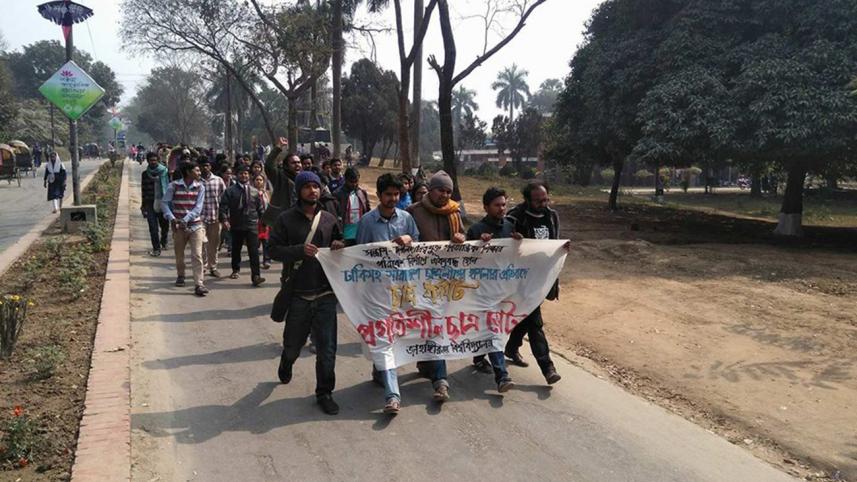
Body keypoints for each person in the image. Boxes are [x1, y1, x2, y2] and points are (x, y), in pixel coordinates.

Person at [269, 171, 345, 415]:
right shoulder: (285, 219)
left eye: (316, 186)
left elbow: (341, 245)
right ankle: (287, 361)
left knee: (327, 350)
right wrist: (299, 251)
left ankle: (325, 393)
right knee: (293, 344)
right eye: (307, 187)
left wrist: (339, 245)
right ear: (299, 190)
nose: (313, 190)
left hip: (325, 294)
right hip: (299, 294)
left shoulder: (329, 219)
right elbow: (272, 250)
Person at [356, 173, 420, 414]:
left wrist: (410, 239)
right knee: (383, 339)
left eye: (397, 194)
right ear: (379, 195)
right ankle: (392, 396)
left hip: (403, 287)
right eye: (388, 194)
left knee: (402, 334)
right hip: (377, 291)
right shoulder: (367, 222)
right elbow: (360, 254)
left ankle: (380, 370)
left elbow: (419, 245)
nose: (393, 198)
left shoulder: (406, 218)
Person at [406, 170, 466, 402]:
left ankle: (440, 380)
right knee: (425, 325)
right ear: (431, 190)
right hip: (420, 280)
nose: (445, 195)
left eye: (449, 191)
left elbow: (464, 239)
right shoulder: (413, 212)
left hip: (446, 281)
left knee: (437, 326)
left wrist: (460, 238)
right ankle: (428, 366)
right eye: (441, 190)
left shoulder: (455, 212)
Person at [504, 181, 566, 384]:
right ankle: (548, 368)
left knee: (526, 317)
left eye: (546, 199)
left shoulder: (552, 216)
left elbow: (554, 242)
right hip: (520, 280)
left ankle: (511, 347)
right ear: (527, 199)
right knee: (535, 322)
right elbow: (503, 244)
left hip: (542, 278)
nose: (543, 204)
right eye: (538, 201)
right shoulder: (516, 217)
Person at [466, 187, 521, 391]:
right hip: (482, 291)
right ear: (486, 207)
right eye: (497, 205)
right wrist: (479, 245)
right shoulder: (476, 230)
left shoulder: (510, 227)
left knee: (492, 329)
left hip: (503, 290)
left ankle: (479, 357)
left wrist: (519, 243)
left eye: (504, 204)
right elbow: (466, 260)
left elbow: (516, 257)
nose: (502, 208)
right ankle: (502, 376)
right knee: (492, 330)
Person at [162, 161, 208, 297]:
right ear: (188, 172)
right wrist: (171, 218)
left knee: (197, 254)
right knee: (179, 254)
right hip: (178, 227)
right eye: (197, 170)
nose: (199, 173)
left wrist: (185, 219)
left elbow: (198, 208)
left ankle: (199, 283)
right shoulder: (174, 186)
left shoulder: (200, 187)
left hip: (195, 225)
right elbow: (165, 203)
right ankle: (181, 275)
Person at [219, 165, 266, 286]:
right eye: (241, 173)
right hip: (236, 224)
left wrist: (264, 222)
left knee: (254, 251)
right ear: (237, 175)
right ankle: (235, 269)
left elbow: (260, 208)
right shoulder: (230, 191)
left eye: (246, 173)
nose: (244, 176)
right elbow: (223, 207)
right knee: (236, 248)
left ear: (249, 175)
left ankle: (256, 276)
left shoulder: (255, 191)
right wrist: (224, 220)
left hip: (252, 224)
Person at [198, 157, 226, 277]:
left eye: (207, 165)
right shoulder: (196, 181)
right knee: (202, 242)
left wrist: (224, 216)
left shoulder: (218, 180)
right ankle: (203, 266)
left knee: (214, 244)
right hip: (200, 218)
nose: (205, 168)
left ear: (210, 167)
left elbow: (224, 198)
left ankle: (213, 267)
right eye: (203, 165)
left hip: (215, 217)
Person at [263, 147, 301, 228]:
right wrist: (277, 148)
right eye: (293, 163)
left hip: (299, 220)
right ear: (286, 166)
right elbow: (269, 166)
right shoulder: (280, 177)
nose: (297, 165)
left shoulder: (304, 179)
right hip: (281, 221)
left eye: (299, 162)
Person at [141, 152, 170, 256]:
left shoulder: (165, 172)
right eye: (151, 160)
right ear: (148, 161)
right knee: (153, 227)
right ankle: (156, 248)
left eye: (155, 160)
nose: (153, 162)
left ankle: (164, 240)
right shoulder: (145, 174)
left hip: (163, 202)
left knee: (164, 225)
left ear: (158, 160)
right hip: (150, 202)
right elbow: (143, 190)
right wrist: (143, 205)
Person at [333, 167, 370, 246]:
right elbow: (335, 214)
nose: (354, 184)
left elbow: (368, 210)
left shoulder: (362, 193)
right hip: (345, 231)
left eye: (356, 181)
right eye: (351, 182)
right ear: (345, 179)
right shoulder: (337, 194)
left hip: (360, 229)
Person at [254, 173, 273, 270]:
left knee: (266, 241)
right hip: (254, 220)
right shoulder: (251, 192)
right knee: (255, 242)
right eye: (257, 179)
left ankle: (267, 260)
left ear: (264, 182)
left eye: (260, 180)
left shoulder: (268, 193)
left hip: (266, 220)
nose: (258, 181)